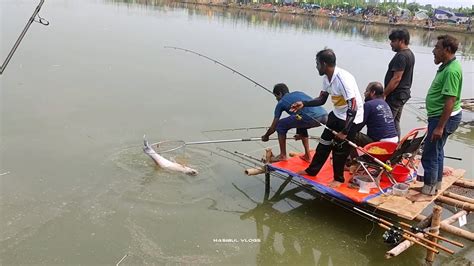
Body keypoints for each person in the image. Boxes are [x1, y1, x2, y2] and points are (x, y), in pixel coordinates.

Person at [291, 49, 364, 187]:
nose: (316, 66)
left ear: (324, 64)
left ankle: (338, 179)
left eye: (317, 63)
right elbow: (321, 99)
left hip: (351, 119)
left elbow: (353, 106)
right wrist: (304, 104)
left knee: (339, 149)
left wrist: (344, 132)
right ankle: (312, 170)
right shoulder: (326, 79)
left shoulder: (342, 79)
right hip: (337, 114)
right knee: (324, 143)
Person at [420, 35, 463, 196]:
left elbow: (450, 100)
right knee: (437, 151)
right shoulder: (448, 66)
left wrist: (439, 127)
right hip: (441, 117)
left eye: (437, 48)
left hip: (443, 118)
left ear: (446, 50)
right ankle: (436, 184)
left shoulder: (451, 71)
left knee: (429, 154)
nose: (433, 51)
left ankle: (428, 189)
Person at [261, 83, 328, 162]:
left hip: (311, 118)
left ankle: (282, 155)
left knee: (280, 124)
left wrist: (266, 136)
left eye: (276, 96)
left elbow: (274, 127)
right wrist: (299, 133)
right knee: (299, 119)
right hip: (325, 116)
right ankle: (307, 156)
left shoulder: (281, 103)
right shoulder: (299, 93)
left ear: (279, 94)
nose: (276, 99)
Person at [384, 28, 415, 138]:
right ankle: (396, 146)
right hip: (402, 95)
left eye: (393, 41)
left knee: (387, 123)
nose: (391, 44)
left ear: (401, 41)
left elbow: (396, 78)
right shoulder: (410, 54)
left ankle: (389, 147)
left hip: (395, 96)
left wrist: (384, 94)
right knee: (395, 121)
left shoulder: (401, 56)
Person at [354, 82, 398, 148]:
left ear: (373, 93)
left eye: (366, 91)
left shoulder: (368, 105)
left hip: (380, 143)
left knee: (351, 134)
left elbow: (358, 125)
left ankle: (352, 157)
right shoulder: (385, 103)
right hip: (394, 141)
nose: (364, 93)